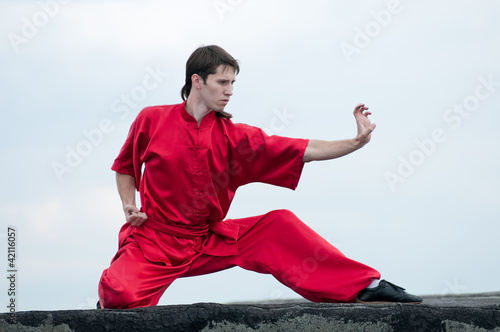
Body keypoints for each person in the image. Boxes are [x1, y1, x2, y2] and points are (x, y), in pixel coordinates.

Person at [97, 45, 422, 309]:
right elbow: (126, 166)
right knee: (118, 296)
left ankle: (366, 286)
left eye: (233, 83)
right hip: (154, 241)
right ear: (197, 81)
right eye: (222, 83)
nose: (230, 91)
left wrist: (354, 142)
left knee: (278, 225)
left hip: (209, 241)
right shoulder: (151, 120)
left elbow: (301, 149)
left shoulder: (236, 137)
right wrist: (129, 204)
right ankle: (113, 299)